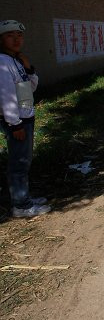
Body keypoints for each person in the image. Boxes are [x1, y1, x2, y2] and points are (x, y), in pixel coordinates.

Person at [0, 20, 50, 218]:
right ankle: (21, 205)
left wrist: (28, 67)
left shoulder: (16, 60)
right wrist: (15, 125)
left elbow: (32, 87)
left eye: (19, 35)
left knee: (25, 161)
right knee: (19, 163)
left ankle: (24, 197)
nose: (16, 39)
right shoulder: (2, 62)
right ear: (1, 39)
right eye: (10, 35)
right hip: (17, 122)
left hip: (26, 117)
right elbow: (6, 96)